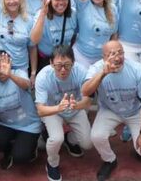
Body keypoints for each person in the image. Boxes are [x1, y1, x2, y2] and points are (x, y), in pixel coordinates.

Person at [82, 40, 141, 181]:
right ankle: (109, 160)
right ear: (103, 57)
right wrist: (103, 73)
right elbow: (85, 91)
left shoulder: (138, 69)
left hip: (135, 110)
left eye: (120, 52)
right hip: (110, 110)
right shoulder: (96, 68)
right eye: (111, 54)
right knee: (96, 136)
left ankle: (136, 143)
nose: (117, 57)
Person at [35, 44, 93, 181]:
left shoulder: (81, 71)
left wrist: (77, 105)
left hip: (75, 107)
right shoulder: (43, 76)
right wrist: (58, 108)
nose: (63, 70)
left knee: (88, 143)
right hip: (52, 110)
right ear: (51, 63)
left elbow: (88, 101)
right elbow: (40, 110)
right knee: (56, 139)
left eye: (67, 65)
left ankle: (70, 139)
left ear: (74, 62)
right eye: (58, 65)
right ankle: (52, 163)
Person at [0, 50, 42, 169]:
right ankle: (9, 149)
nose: (1, 71)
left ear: (10, 65)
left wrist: (10, 74)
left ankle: (31, 147)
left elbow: (27, 85)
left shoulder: (18, 73)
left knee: (21, 157)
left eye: (4, 66)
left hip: (28, 125)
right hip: (5, 124)